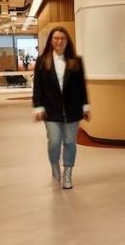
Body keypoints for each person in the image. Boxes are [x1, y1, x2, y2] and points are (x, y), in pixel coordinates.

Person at [32, 28, 90, 189]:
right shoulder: (43, 61)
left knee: (70, 142)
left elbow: (81, 87)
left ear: (67, 41)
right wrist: (38, 107)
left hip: (73, 110)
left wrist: (86, 107)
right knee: (54, 142)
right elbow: (37, 87)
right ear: (51, 40)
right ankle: (54, 164)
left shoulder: (75, 61)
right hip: (51, 111)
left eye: (62, 38)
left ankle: (67, 174)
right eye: (56, 38)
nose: (59, 41)